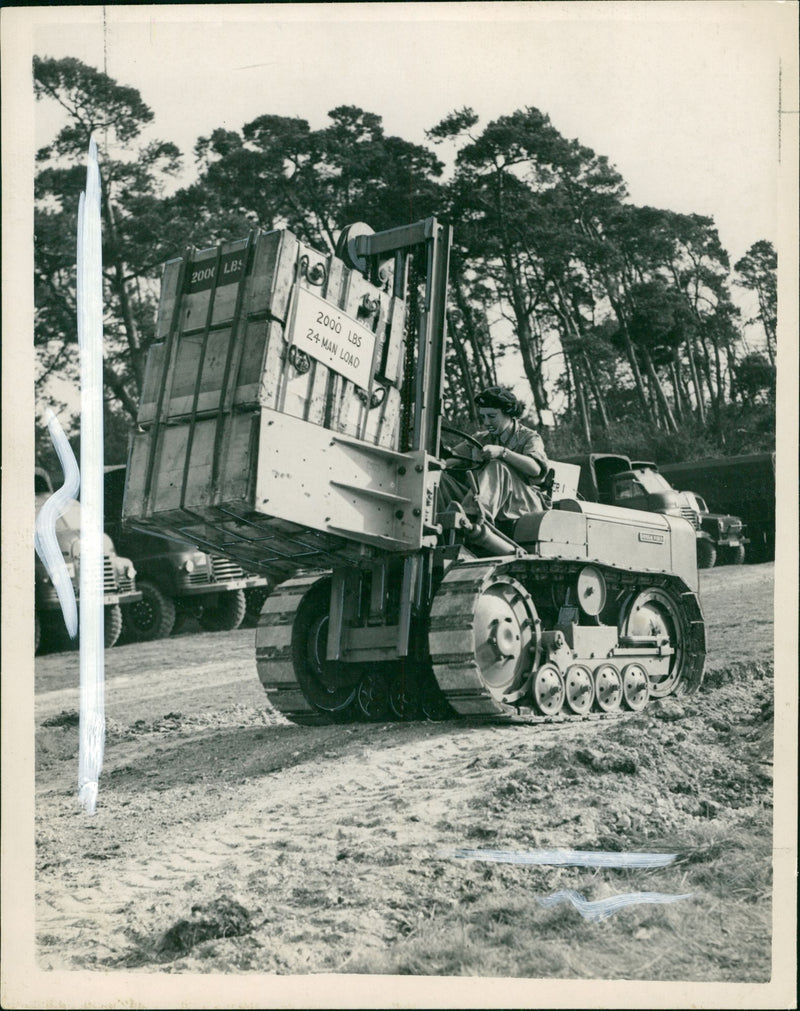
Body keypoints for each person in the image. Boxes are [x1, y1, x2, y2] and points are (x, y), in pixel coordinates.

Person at [441, 387, 549, 525]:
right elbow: (452, 458)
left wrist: (502, 452)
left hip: (523, 502)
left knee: (497, 466)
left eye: (492, 417)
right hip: (480, 499)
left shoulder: (529, 437)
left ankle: (473, 519)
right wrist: (437, 464)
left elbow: (535, 469)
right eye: (483, 417)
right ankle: (441, 523)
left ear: (509, 414)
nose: (486, 422)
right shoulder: (480, 439)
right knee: (439, 476)